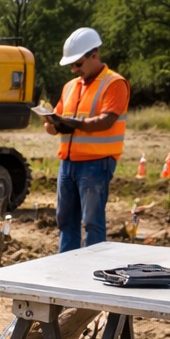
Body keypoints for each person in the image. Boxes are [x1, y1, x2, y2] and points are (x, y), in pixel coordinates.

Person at [45, 27, 128, 252]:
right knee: (65, 221)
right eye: (71, 65)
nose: (74, 70)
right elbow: (57, 120)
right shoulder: (70, 87)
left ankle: (93, 268)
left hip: (96, 164)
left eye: (78, 64)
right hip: (68, 163)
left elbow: (106, 121)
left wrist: (74, 123)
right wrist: (51, 123)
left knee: (92, 222)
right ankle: (67, 265)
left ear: (94, 55)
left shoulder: (114, 83)